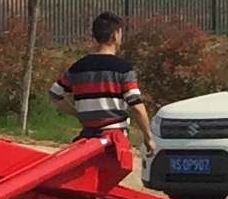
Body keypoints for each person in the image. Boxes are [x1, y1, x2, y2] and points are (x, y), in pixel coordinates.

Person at [51, 11, 154, 158]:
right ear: (115, 35)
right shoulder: (123, 69)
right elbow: (136, 105)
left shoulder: (77, 68)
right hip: (114, 142)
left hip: (87, 139)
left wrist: (79, 113)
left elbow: (55, 94)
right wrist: (148, 136)